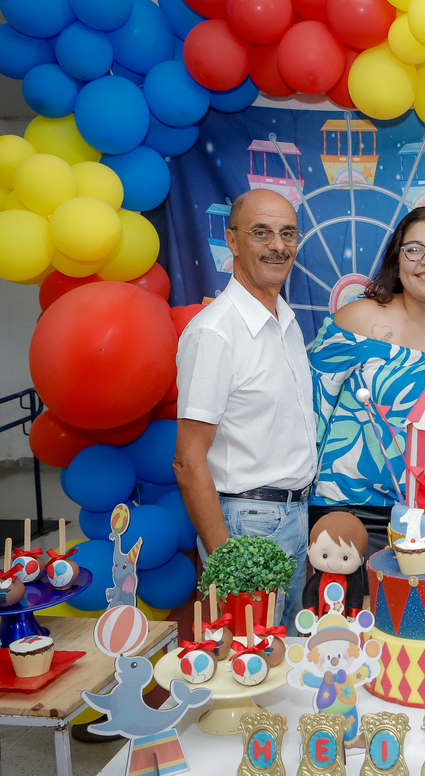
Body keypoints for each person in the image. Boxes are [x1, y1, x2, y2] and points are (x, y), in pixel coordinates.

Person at [174, 189, 317, 629]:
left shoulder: (286, 322)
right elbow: (188, 461)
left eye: (288, 233)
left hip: (294, 515)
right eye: (261, 233)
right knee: (248, 655)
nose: (278, 245)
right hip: (246, 526)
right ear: (233, 241)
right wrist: (227, 563)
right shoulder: (215, 334)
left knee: (283, 653)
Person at [307, 207, 425, 559]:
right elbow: (309, 411)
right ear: (397, 258)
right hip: (349, 511)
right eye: (414, 249)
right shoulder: (358, 319)